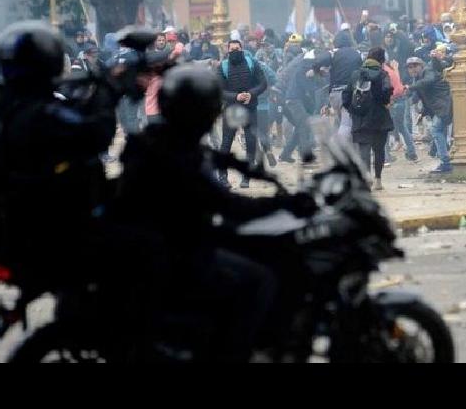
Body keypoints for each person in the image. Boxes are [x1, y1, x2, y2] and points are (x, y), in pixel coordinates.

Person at [111, 65, 314, 362]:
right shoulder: (176, 156)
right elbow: (230, 205)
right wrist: (283, 203)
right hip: (176, 249)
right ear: (198, 112)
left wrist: (248, 168)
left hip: (162, 240)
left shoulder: (157, 138)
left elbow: (212, 156)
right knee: (259, 280)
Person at [0, 20, 120, 290]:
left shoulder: (3, 113)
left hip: (15, 231)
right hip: (58, 231)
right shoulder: (41, 114)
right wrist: (107, 92)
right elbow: (98, 135)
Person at [217, 39, 267, 188]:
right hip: (231, 109)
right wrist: (235, 97)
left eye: (237, 49)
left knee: (251, 142)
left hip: (250, 107)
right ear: (227, 51)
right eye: (231, 49)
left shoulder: (253, 63)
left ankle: (247, 176)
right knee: (226, 143)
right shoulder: (223, 67)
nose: (234, 52)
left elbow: (263, 84)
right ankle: (222, 177)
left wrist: (251, 94)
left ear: (242, 48)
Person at [342, 47, 393, 189]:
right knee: (379, 150)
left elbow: (346, 96)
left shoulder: (355, 74)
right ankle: (378, 180)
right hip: (380, 117)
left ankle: (366, 176)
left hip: (360, 118)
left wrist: (353, 110)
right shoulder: (383, 74)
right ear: (382, 60)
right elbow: (387, 93)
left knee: (364, 149)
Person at [406, 55, 453, 173]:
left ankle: (445, 162)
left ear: (421, 66)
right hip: (439, 107)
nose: (413, 69)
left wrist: (410, 87)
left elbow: (429, 81)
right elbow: (421, 97)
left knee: (436, 130)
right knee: (439, 131)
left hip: (444, 105)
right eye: (410, 67)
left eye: (415, 66)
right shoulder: (417, 80)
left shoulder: (428, 71)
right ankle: (443, 159)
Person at [328, 28, 363, 140]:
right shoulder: (357, 54)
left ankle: (333, 145)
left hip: (334, 94)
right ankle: (338, 149)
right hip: (348, 94)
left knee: (339, 122)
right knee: (346, 124)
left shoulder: (333, 54)